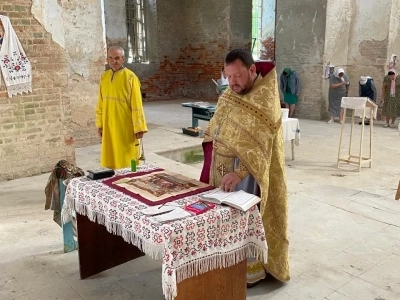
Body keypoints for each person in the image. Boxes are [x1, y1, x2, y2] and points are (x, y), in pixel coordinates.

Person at [199, 49, 290, 287]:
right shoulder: (231, 92)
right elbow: (218, 121)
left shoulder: (264, 98)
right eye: (228, 77)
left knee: (246, 219)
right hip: (222, 167)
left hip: (250, 174)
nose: (232, 82)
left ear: (251, 70)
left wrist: (239, 173)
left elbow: (261, 144)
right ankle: (222, 263)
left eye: (237, 76)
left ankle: (250, 272)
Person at [95, 46, 148, 169]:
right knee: (111, 153)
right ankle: (113, 179)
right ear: (107, 59)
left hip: (125, 125)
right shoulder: (104, 77)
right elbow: (100, 103)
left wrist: (139, 127)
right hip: (108, 124)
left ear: (123, 59)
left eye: (117, 58)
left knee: (127, 156)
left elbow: (137, 105)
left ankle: (130, 180)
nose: (114, 61)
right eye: (111, 58)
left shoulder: (130, 77)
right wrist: (100, 124)